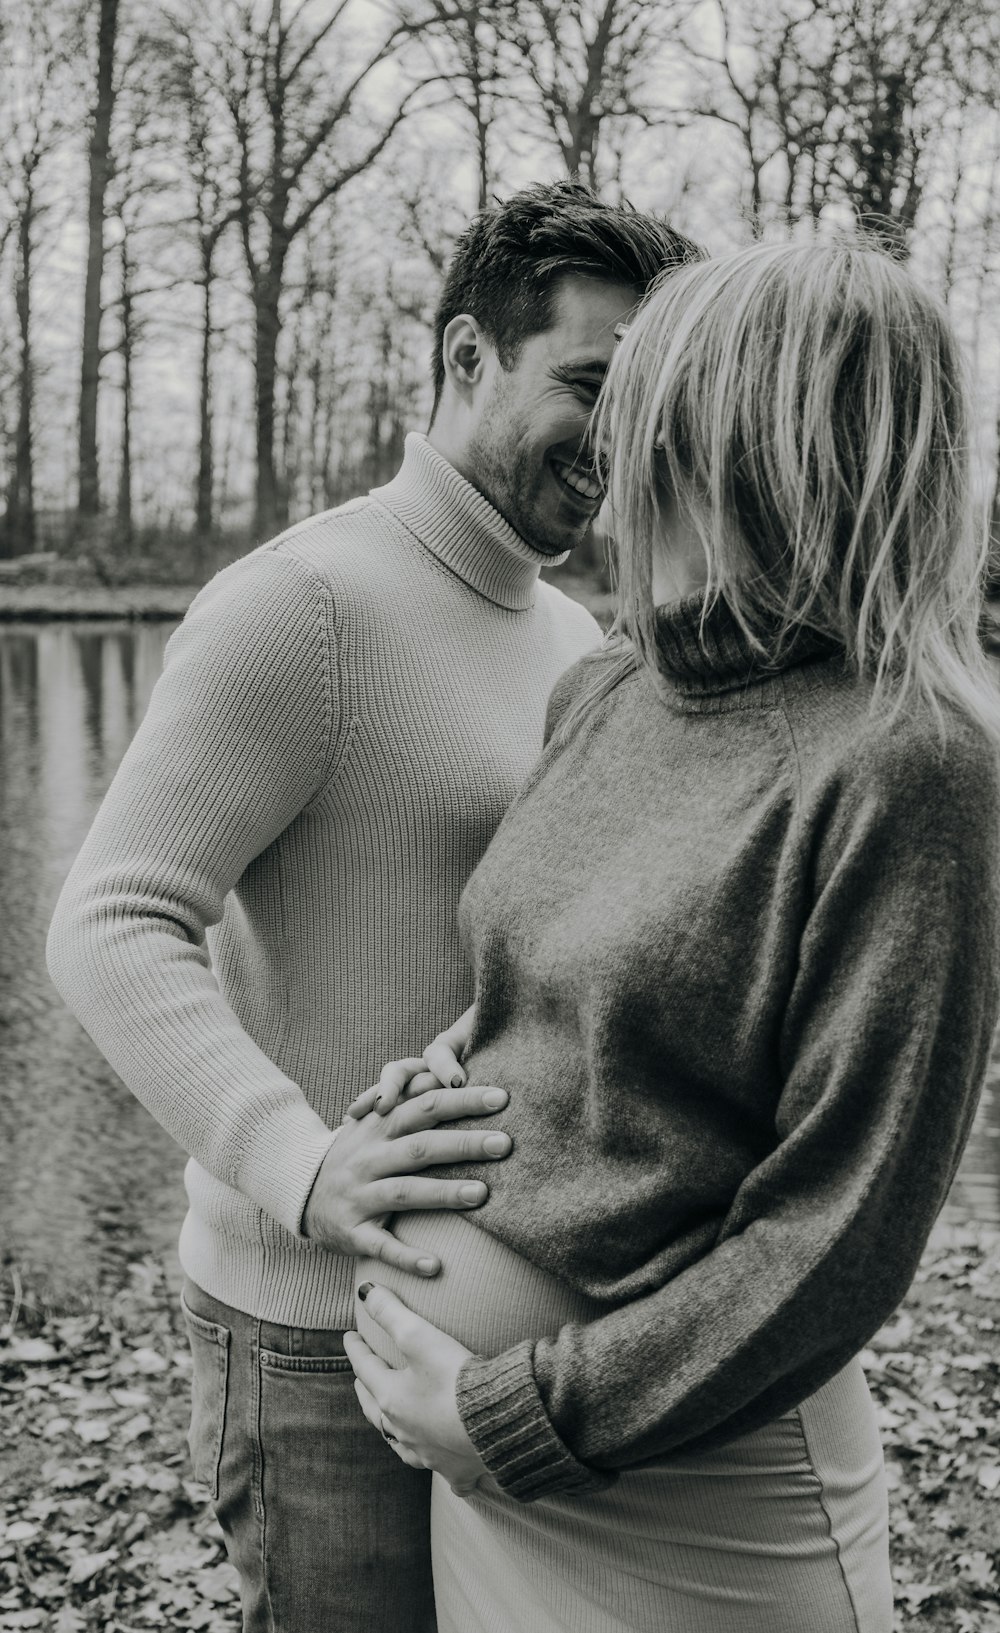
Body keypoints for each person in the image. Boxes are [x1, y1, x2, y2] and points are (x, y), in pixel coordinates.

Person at [44, 182, 703, 1633]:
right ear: (468, 358)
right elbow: (110, 918)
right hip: (308, 1343)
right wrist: (299, 1162)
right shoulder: (306, 605)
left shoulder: (575, 633)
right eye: (589, 383)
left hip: (501, 1360)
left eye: (645, 395)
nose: (620, 435)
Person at [342, 239, 1000, 1633]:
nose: (615, 439)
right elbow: (539, 978)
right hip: (492, 1474)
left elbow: (842, 1228)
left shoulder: (910, 762)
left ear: (758, 430)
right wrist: (450, 1072)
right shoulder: (603, 685)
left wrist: (524, 1413)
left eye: (657, 394)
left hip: (697, 1500)